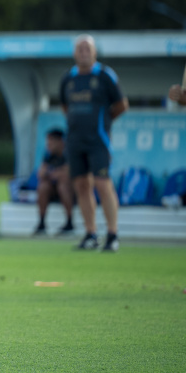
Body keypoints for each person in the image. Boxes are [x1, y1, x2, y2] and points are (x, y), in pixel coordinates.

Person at [60, 35, 129, 252]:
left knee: (102, 183)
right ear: (74, 54)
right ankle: (90, 233)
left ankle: (112, 234)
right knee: (81, 186)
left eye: (87, 49)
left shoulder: (105, 76)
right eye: (79, 49)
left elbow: (121, 105)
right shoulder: (68, 79)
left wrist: (104, 122)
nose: (83, 52)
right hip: (75, 141)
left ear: (94, 52)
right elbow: (65, 107)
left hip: (98, 140)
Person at [33, 128, 74, 235]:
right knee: (43, 187)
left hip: (72, 191)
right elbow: (41, 173)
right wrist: (53, 174)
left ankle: (70, 221)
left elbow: (68, 173)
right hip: (53, 188)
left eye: (51, 141)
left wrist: (53, 173)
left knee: (63, 185)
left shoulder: (69, 153)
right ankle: (41, 222)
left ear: (60, 142)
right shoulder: (48, 155)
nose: (48, 144)